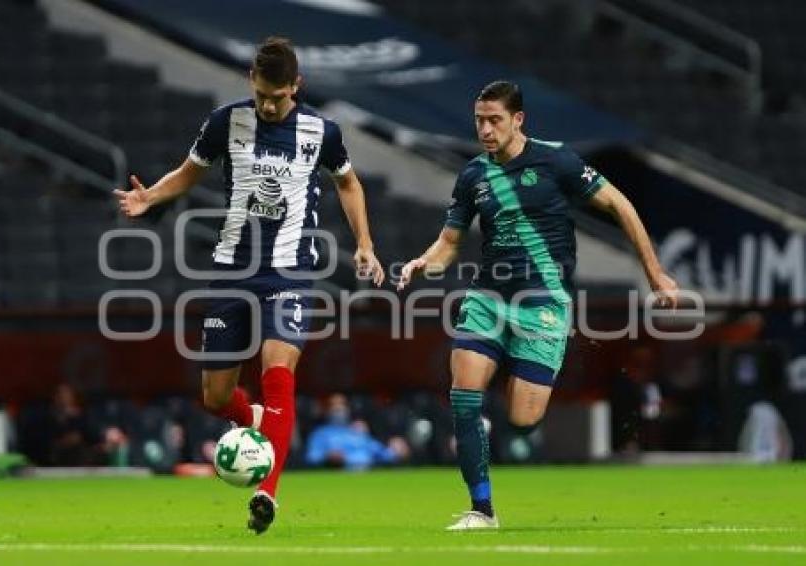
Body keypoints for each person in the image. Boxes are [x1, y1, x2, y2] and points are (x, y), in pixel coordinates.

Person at [114, 37, 384, 534]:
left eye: (277, 96)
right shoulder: (226, 122)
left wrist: (364, 242)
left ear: (296, 86)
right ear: (251, 83)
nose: (267, 104)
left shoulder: (321, 132)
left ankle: (267, 492)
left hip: (289, 272)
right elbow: (189, 172)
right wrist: (149, 198)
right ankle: (262, 419)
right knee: (217, 399)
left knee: (278, 372)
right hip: (231, 271)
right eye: (261, 94)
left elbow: (348, 183)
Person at [396, 80, 678, 530]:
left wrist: (655, 273)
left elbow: (619, 206)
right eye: (479, 121)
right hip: (488, 298)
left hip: (542, 302)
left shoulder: (557, 159)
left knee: (524, 419)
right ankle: (481, 509)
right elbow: (449, 243)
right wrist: (421, 263)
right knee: (464, 397)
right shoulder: (473, 176)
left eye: (495, 121)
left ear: (518, 120)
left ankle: (513, 367)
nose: (485, 130)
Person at [305, 393, 410, 470]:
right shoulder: (320, 433)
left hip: (367, 474)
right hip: (337, 474)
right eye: (334, 406)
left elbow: (380, 453)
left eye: (342, 405)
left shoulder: (357, 430)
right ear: (327, 410)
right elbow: (312, 457)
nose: (339, 409)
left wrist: (396, 450)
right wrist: (328, 457)